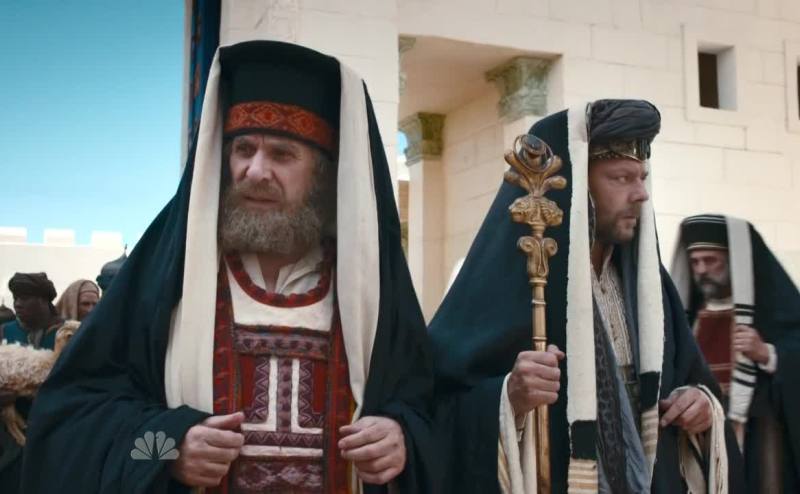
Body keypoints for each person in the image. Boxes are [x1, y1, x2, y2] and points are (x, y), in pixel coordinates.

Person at [22, 41, 434, 494]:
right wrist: (168, 448)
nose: (255, 171)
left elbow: (434, 417)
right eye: (243, 149)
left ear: (322, 174)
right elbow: (71, 427)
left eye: (282, 154)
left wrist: (402, 438)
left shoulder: (370, 292)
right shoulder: (167, 281)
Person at [428, 100, 743, 493]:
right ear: (577, 186)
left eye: (642, 178)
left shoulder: (650, 285)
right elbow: (437, 409)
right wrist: (509, 398)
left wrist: (700, 405)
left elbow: (692, 381)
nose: (641, 194)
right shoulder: (515, 280)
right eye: (621, 178)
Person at [670, 214, 800, 493]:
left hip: (758, 439)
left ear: (734, 261)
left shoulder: (773, 310)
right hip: (702, 439)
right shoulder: (686, 317)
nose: (702, 270)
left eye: (711, 260)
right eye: (695, 262)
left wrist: (768, 354)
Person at [0, 273, 69, 493]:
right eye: (15, 298)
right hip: (11, 438)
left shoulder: (68, 334)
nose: (17, 304)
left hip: (58, 431)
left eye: (25, 297)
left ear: (44, 300)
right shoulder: (5, 332)